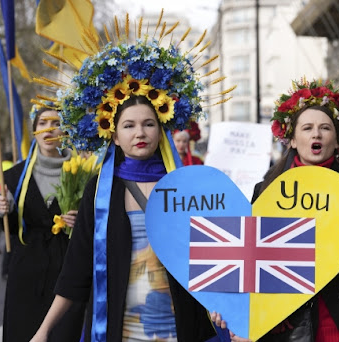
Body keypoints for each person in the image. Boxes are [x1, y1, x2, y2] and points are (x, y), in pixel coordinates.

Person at [30, 15, 227, 341]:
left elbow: (215, 252)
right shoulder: (99, 191)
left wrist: (224, 301)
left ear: (161, 129)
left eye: (149, 124)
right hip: (120, 330)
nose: (140, 133)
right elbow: (77, 270)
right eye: (129, 125)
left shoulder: (187, 185)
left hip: (183, 329)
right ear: (114, 136)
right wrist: (44, 330)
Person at [214, 79, 339, 342]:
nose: (316, 134)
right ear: (293, 139)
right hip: (285, 327)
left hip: (338, 326)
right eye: (307, 128)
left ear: (336, 139)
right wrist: (235, 312)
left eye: (325, 128)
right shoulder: (267, 191)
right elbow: (248, 264)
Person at [0, 105, 85, 342]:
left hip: (67, 272)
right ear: (35, 130)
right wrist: (4, 209)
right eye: (43, 123)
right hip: (26, 272)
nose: (49, 129)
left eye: (56, 123)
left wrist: (80, 221)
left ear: (65, 132)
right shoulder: (14, 176)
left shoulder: (83, 173)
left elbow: (93, 225)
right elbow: (12, 229)